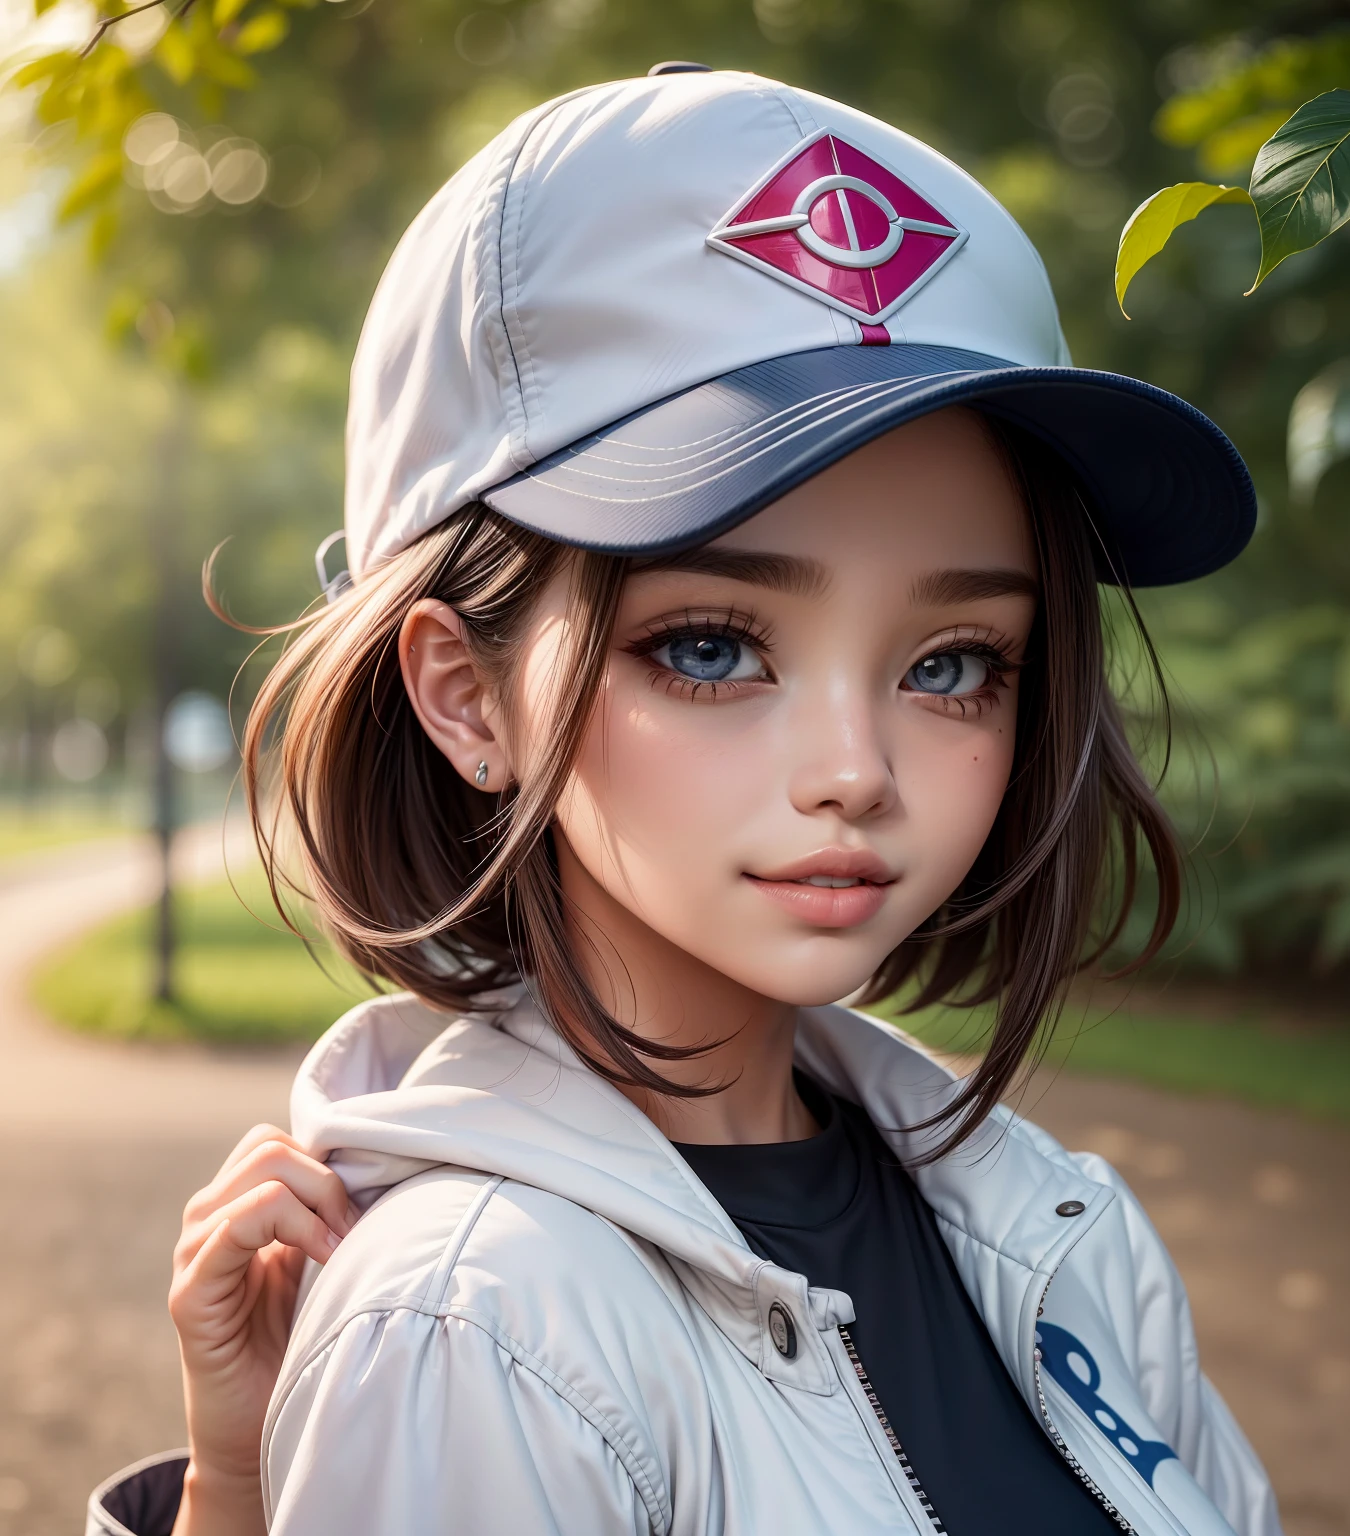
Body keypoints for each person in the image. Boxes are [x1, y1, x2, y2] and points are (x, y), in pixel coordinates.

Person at [88, 65, 1281, 1536]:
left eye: (955, 661)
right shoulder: (480, 1330)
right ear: (467, 694)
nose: (857, 768)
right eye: (712, 648)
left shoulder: (1060, 1231)